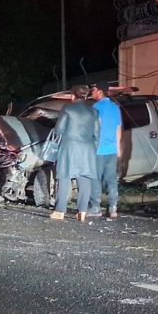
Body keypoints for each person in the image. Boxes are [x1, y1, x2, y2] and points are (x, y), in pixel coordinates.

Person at [49, 85, 100, 221]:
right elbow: (97, 134)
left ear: (73, 96)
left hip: (69, 147)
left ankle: (60, 211)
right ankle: (82, 211)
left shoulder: (68, 108)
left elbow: (59, 129)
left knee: (65, 177)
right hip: (87, 149)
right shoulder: (93, 111)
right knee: (84, 179)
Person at [87, 82, 123, 219]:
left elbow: (95, 127)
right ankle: (113, 208)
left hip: (99, 149)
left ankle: (96, 207)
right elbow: (118, 128)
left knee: (95, 178)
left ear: (100, 92)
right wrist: (118, 148)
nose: (92, 92)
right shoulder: (115, 108)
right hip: (112, 149)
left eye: (94, 90)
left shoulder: (96, 107)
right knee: (111, 179)